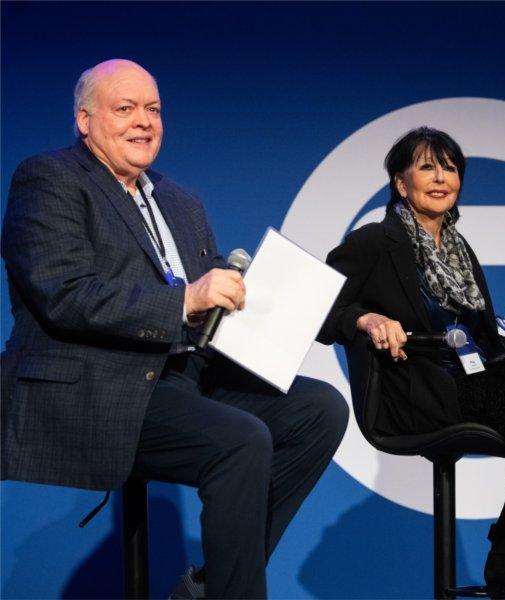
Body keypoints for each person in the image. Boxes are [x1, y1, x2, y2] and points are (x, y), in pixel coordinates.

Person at [1, 59, 348, 600]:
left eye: (154, 109)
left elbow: (207, 295)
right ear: (84, 121)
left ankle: (212, 587)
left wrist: (257, 301)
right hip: (102, 385)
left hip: (183, 372)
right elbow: (63, 294)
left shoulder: (180, 201)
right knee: (240, 439)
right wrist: (186, 298)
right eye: (126, 108)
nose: (144, 121)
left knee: (320, 408)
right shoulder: (49, 179)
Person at [319, 127, 505, 599]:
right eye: (427, 165)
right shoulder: (373, 242)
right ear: (400, 183)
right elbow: (316, 307)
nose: (441, 176)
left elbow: (481, 338)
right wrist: (366, 318)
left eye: (450, 167)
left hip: (475, 382)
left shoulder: (459, 250)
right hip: (420, 391)